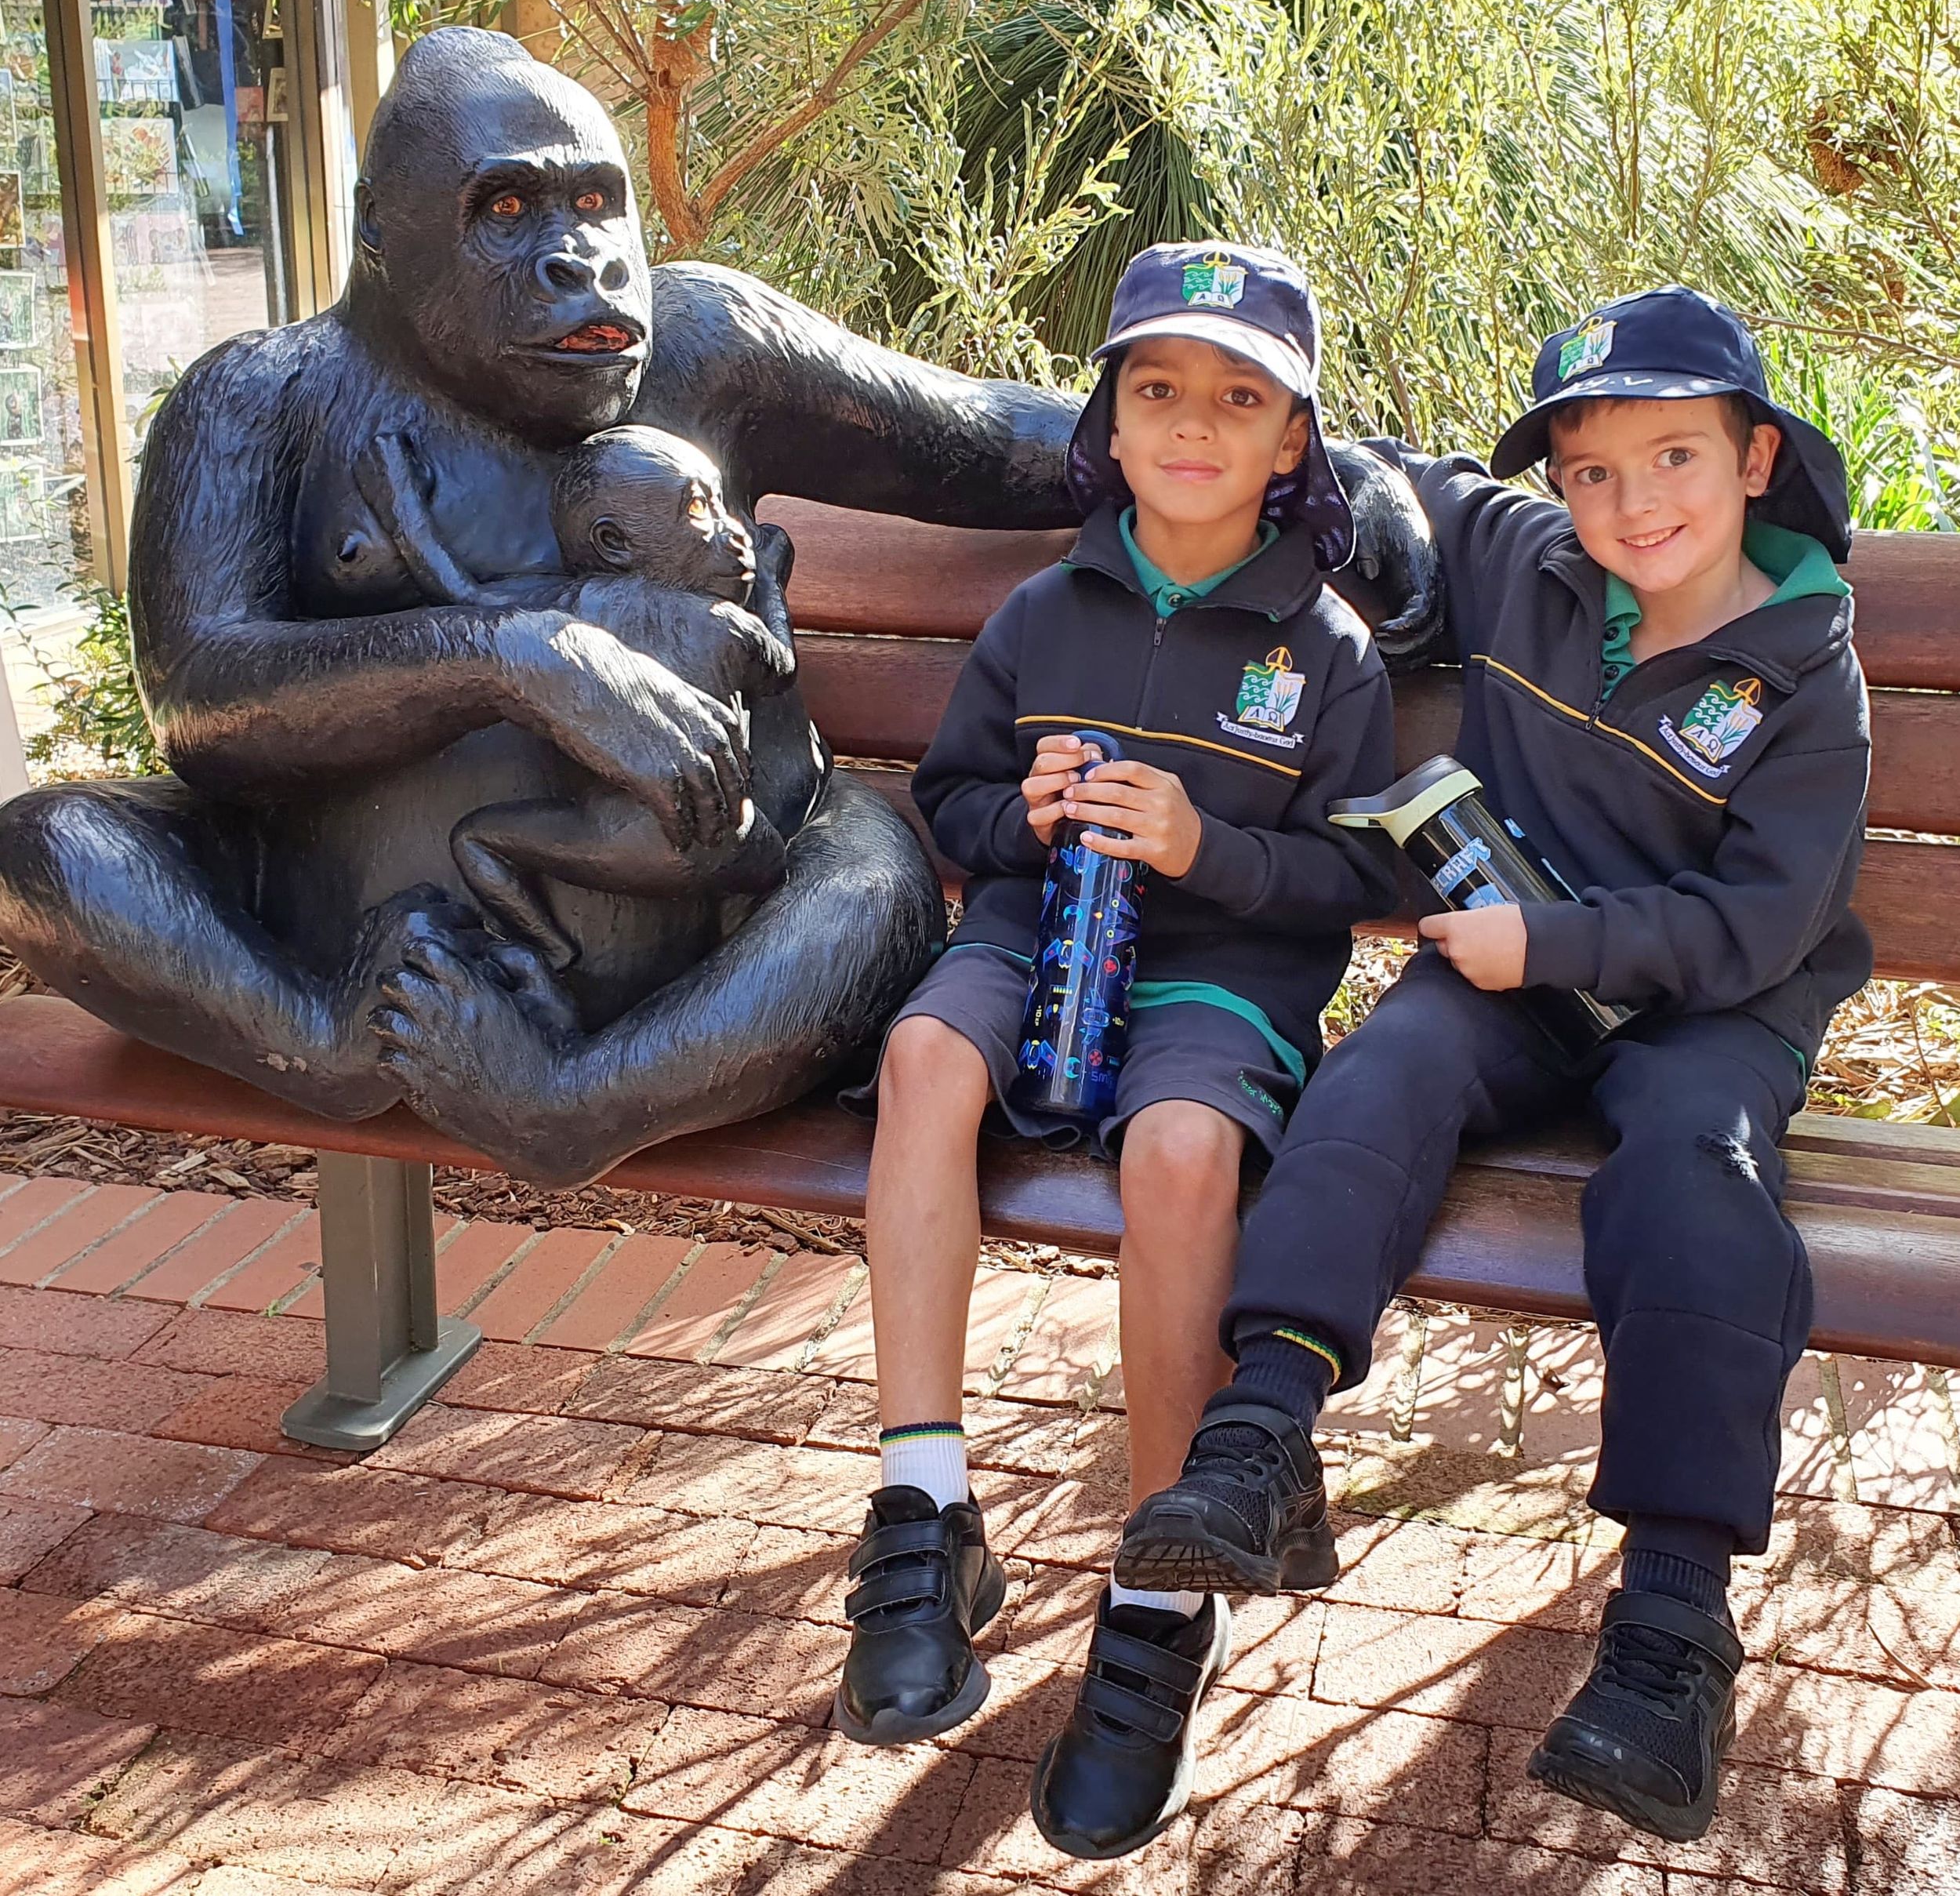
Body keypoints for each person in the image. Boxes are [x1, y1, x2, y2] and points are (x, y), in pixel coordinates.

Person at [1115, 285, 1872, 1844]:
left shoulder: (1806, 678)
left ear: (1753, 459)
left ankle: (1670, 1629)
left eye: (1672, 456)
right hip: (1508, 976)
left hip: (1709, 1009)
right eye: (1589, 470)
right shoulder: (1524, 562)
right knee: (1378, 1073)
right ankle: (1257, 1436)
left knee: (1695, 1176)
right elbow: (1367, 472)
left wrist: (1558, 945)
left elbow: (1757, 925)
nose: (1630, 503)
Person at [830, 242, 1401, 1859]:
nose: (1192, 424)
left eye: (1237, 398)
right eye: (1157, 389)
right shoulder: (1044, 609)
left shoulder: (1325, 650)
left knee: (1180, 1150)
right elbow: (948, 803)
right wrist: (1008, 816)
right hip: (1034, 934)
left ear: (1291, 438)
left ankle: (1160, 1591)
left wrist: (1209, 847)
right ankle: (926, 1507)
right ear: (1112, 419)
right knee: (924, 1061)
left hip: (1223, 974)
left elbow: (1360, 877)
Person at [350, 423, 797, 968]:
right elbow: (782, 666)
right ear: (613, 543)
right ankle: (732, 945)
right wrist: (769, 580)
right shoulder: (730, 627)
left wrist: (397, 498)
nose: (736, 533)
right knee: (769, 873)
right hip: (737, 838)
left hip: (632, 845)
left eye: (722, 503)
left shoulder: (573, 608)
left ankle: (551, 947)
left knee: (475, 839)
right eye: (699, 508)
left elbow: (459, 591)